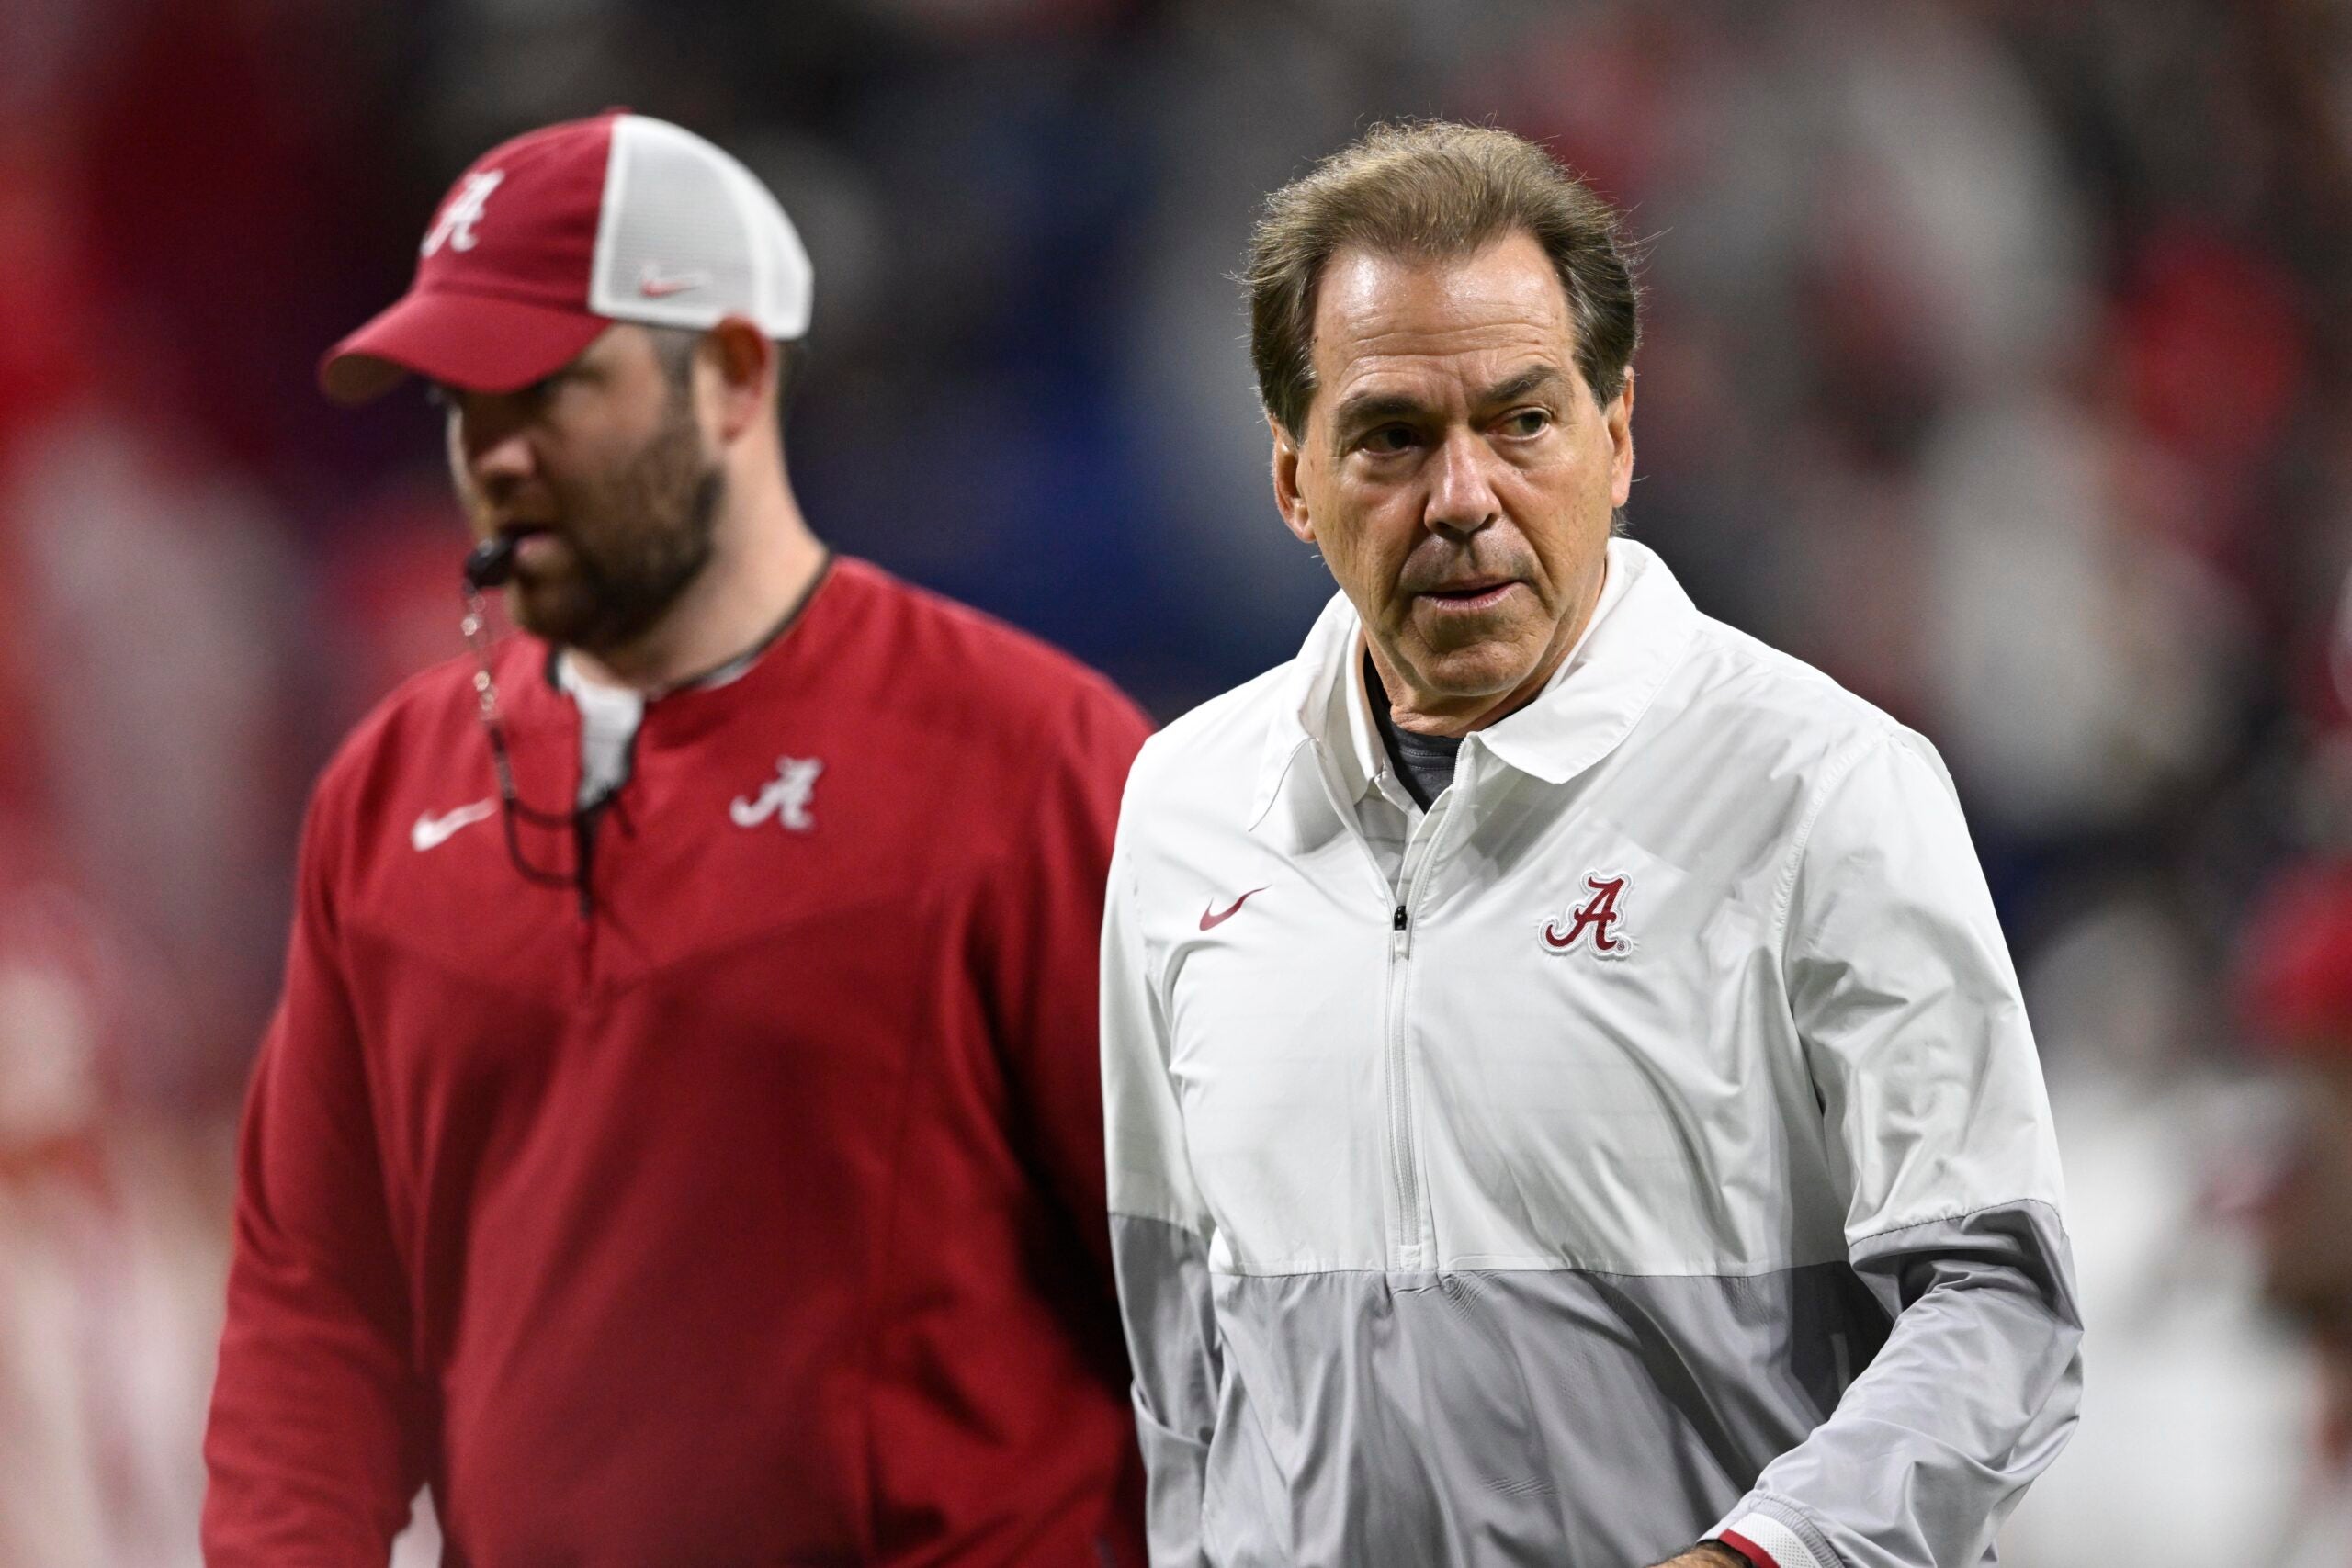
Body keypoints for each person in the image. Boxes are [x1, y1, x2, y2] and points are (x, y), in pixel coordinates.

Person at [1100, 120, 2081, 1568]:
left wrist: (1772, 1558)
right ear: (1292, 482)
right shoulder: (1186, 808)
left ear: (1616, 443)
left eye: (1522, 420)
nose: (1463, 498)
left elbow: (1998, 1310)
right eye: (1391, 436)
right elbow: (1182, 1357)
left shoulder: (1822, 790)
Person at [202, 110, 1151, 1567]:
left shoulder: (1025, 762)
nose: (493, 457)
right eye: (460, 405)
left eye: (546, 391)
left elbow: (1209, 1290)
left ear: (730, 372)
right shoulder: (389, 793)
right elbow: (319, 1309)